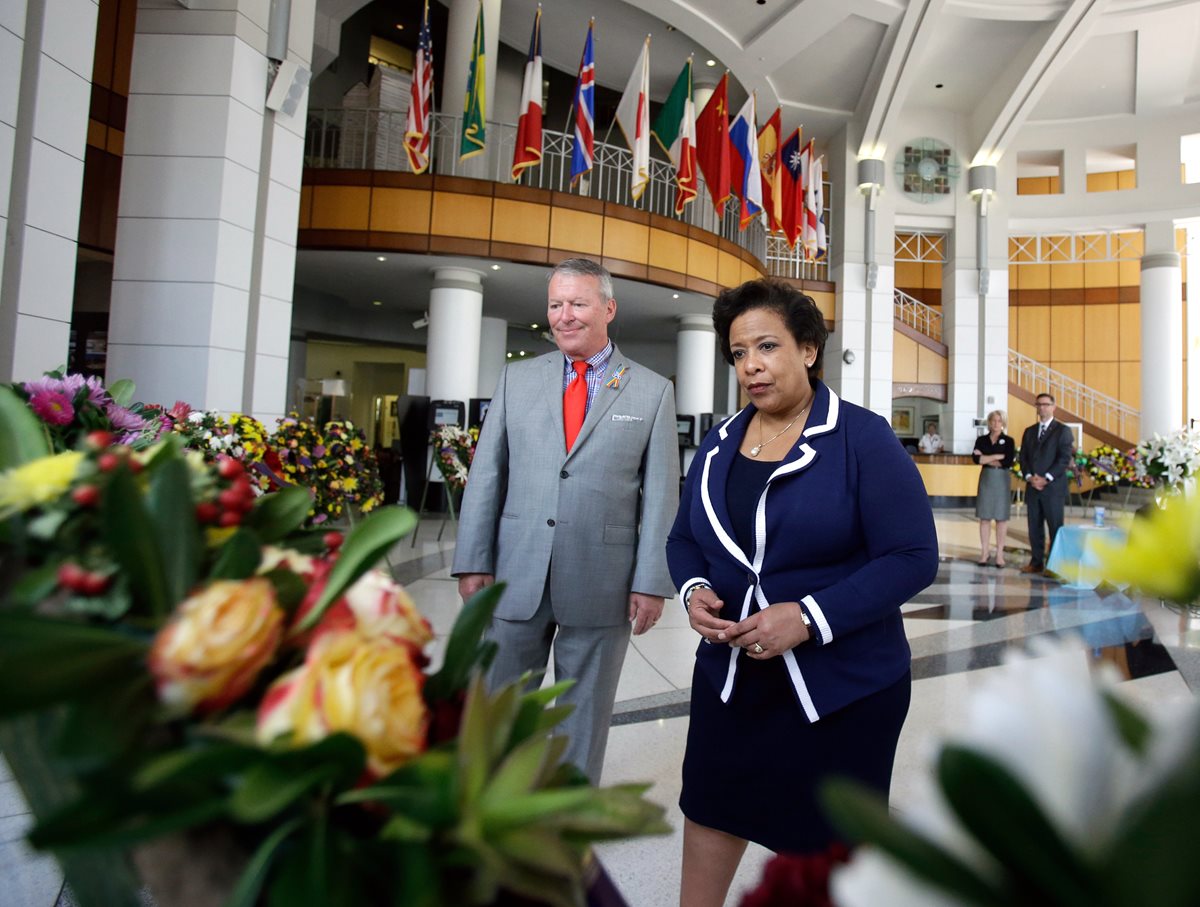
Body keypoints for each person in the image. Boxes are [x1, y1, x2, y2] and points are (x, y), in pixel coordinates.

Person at [665, 279, 938, 907]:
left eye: (767, 346)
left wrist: (811, 617)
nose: (752, 366)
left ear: (809, 349)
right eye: (738, 354)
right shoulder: (718, 444)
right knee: (711, 808)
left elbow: (914, 556)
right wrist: (696, 589)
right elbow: (684, 539)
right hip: (732, 680)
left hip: (842, 689)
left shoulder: (862, 439)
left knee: (825, 857)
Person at [452, 258, 680, 784]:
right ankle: (494, 797)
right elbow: (487, 476)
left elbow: (662, 496)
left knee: (583, 709)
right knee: (502, 703)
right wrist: (472, 561)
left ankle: (567, 810)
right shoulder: (517, 379)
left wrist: (651, 583)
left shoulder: (650, 391)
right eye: (556, 305)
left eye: (578, 303)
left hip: (602, 578)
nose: (564, 316)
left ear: (608, 308)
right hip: (515, 571)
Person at [1019, 393, 1075, 574]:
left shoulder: (1063, 430)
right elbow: (1024, 458)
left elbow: (1064, 458)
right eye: (1039, 404)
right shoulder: (1029, 431)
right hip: (1033, 487)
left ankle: (1055, 565)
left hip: (1053, 488)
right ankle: (1036, 563)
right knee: (1034, 527)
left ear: (1053, 407)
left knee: (1055, 527)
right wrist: (1029, 477)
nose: (1042, 408)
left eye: (1046, 404)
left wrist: (1046, 478)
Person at [972, 410, 1015, 567]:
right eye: (993, 420)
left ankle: (1000, 555)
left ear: (1003, 423)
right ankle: (984, 552)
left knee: (1001, 518)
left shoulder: (1008, 441)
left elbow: (1008, 461)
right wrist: (997, 456)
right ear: (989, 422)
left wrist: (987, 457)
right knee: (984, 517)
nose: (995, 423)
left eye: (998, 420)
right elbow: (977, 459)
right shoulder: (982, 440)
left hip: (1002, 479)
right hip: (987, 478)